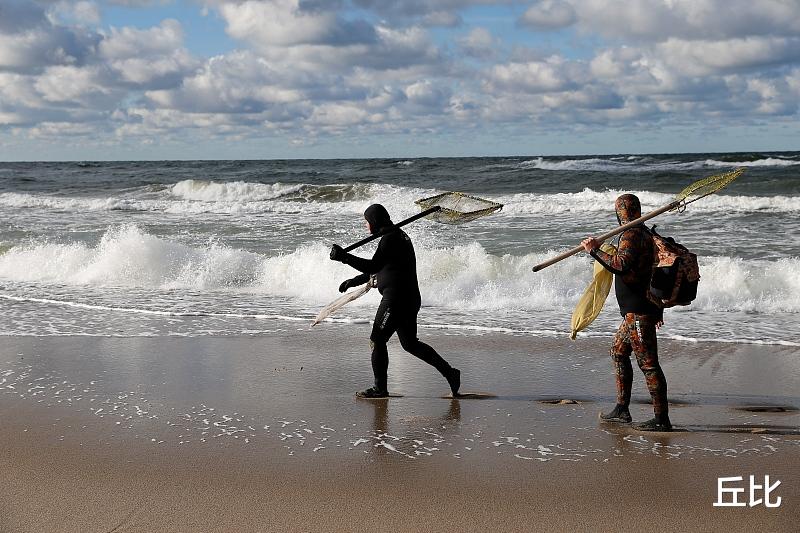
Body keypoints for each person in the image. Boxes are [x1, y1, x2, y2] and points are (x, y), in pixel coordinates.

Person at [330, 204, 461, 399]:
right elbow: (382, 267)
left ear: (374, 222)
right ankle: (450, 373)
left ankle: (379, 389)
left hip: (396, 300)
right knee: (410, 344)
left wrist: (345, 258)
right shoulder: (397, 236)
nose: (366, 226)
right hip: (409, 298)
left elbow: (375, 264)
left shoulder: (390, 238)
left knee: (377, 340)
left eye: (367, 222)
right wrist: (354, 281)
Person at [581, 194, 671, 432]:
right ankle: (622, 410)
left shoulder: (632, 234)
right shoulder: (644, 233)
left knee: (649, 364)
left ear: (620, 212)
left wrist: (594, 250)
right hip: (636, 311)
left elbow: (621, 265)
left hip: (639, 312)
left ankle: (662, 419)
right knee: (618, 351)